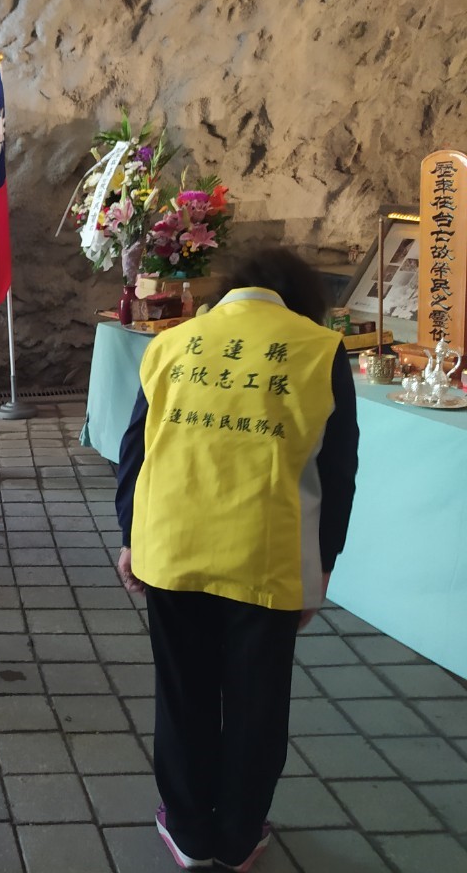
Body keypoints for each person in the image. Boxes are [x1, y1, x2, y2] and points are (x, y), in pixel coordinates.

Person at [115, 248, 359, 872]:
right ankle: (241, 835)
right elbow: (336, 471)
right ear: (302, 299)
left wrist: (130, 538)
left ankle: (190, 835)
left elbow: (135, 451)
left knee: (183, 693)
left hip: (172, 548)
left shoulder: (172, 342)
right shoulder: (320, 349)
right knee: (257, 701)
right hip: (269, 556)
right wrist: (322, 565)